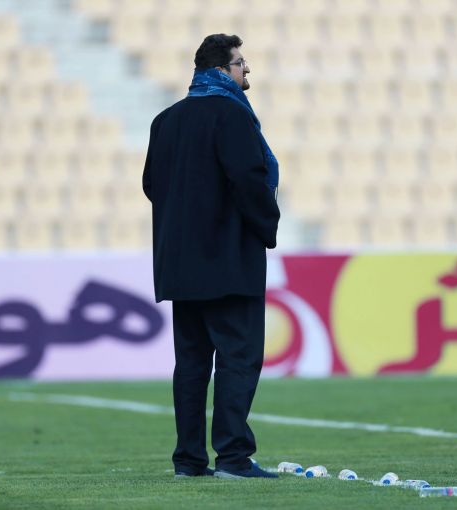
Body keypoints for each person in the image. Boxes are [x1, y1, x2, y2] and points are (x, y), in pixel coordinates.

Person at [142, 33, 280, 479]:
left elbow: (151, 185)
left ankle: (188, 460)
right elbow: (249, 180)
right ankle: (234, 457)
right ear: (221, 70)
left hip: (180, 264)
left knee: (192, 364)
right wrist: (266, 225)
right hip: (227, 260)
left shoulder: (165, 121)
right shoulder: (232, 115)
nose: (246, 71)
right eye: (241, 64)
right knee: (238, 358)